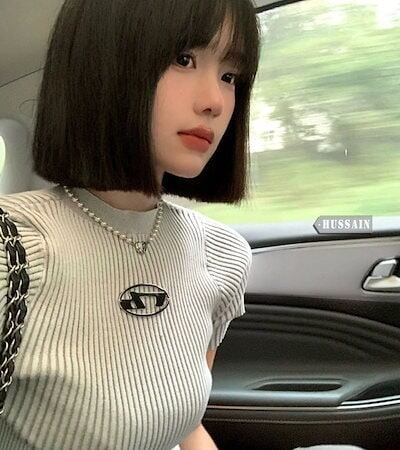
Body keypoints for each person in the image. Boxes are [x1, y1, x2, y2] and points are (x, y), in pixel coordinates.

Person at [0, 0, 260, 449]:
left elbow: (186, 428)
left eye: (229, 76)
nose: (215, 102)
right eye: (183, 59)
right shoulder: (13, 250)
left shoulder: (223, 255)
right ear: (105, 64)